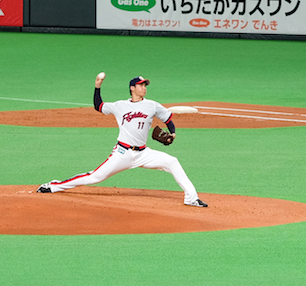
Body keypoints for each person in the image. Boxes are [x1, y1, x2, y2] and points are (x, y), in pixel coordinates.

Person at [37, 73, 208, 208]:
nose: (144, 88)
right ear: (132, 88)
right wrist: (97, 86)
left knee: (172, 161)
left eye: (145, 85)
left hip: (143, 153)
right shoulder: (120, 105)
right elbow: (99, 106)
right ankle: (53, 186)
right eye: (141, 85)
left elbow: (168, 118)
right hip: (122, 153)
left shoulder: (152, 105)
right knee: (95, 177)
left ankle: (192, 198)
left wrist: (173, 132)